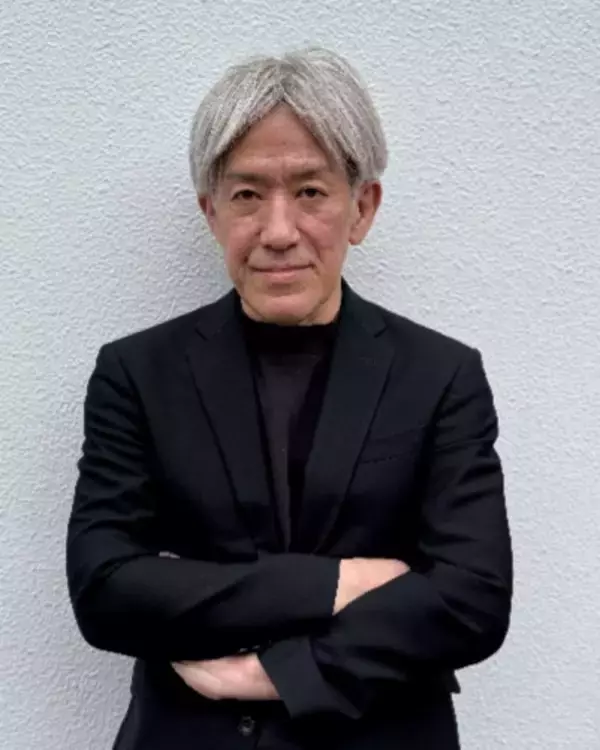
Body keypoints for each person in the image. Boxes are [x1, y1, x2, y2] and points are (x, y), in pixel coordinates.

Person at [66, 47, 512, 750]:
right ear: (212, 212)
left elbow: (472, 599)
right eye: (247, 195)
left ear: (362, 208)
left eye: (310, 192)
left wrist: (274, 674)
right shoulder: (137, 372)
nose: (278, 232)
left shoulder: (440, 375)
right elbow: (105, 590)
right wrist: (340, 583)